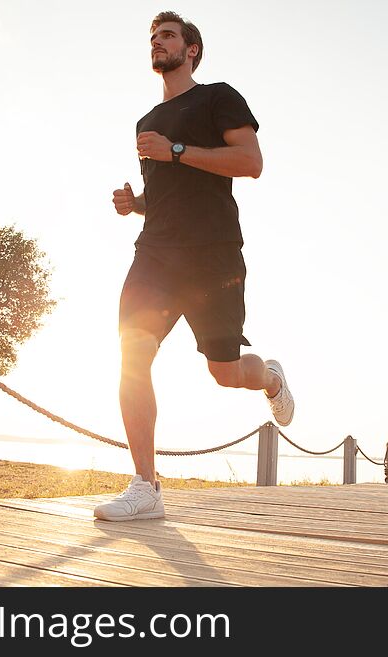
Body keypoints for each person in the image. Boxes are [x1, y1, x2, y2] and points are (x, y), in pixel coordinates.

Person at [94, 11, 294, 522]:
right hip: (155, 254)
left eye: (168, 36)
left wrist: (176, 150)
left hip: (213, 255)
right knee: (131, 354)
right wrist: (135, 203)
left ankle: (269, 378)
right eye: (153, 38)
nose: (157, 43)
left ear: (192, 50)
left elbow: (250, 163)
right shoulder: (146, 124)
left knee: (225, 373)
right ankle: (146, 486)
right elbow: (168, 195)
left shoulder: (217, 97)